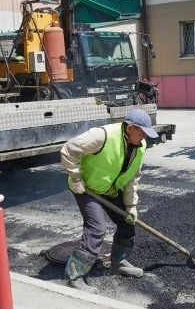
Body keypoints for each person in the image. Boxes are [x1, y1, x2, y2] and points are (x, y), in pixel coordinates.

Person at [60, 109, 159, 292]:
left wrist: (130, 206)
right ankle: (74, 276)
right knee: (97, 228)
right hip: (86, 188)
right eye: (142, 132)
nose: (145, 136)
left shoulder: (139, 145)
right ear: (130, 128)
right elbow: (69, 150)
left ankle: (118, 263)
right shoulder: (102, 135)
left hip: (110, 189)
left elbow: (132, 178)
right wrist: (76, 178)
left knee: (127, 221)